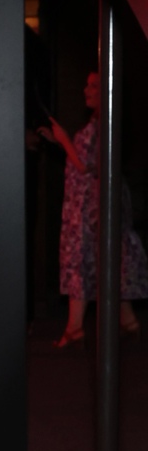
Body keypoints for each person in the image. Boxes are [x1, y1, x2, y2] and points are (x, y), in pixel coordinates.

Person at [39, 71, 148, 347]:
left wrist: (64, 139)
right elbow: (85, 159)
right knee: (98, 260)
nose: (86, 89)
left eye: (94, 85)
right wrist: (61, 142)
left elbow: (91, 166)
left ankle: (77, 328)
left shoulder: (106, 124)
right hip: (87, 204)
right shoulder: (99, 123)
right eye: (86, 84)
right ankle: (127, 321)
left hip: (95, 204)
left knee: (88, 259)